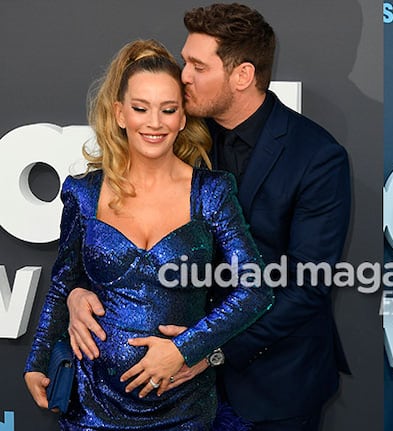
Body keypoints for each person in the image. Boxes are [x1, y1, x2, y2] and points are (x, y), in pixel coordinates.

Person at [65, 4, 352, 431]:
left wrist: (205, 350)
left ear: (242, 76)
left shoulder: (317, 156)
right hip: (174, 394)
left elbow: (307, 286)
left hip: (273, 385)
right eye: (185, 62)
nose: (183, 76)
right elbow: (107, 228)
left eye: (198, 66)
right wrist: (76, 293)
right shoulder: (177, 135)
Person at [23, 39, 274, 430]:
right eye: (141, 108)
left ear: (182, 118)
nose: (154, 123)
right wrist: (37, 360)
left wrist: (186, 349)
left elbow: (255, 288)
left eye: (168, 110)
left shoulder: (211, 192)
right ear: (120, 114)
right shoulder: (84, 193)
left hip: (184, 405)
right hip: (92, 405)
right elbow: (63, 282)